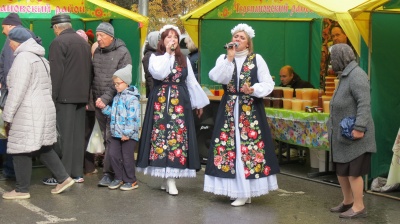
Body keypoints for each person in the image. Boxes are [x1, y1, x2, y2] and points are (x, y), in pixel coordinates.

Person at [204, 23, 280, 206]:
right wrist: (229, 59)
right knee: (229, 148)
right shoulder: (224, 58)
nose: (237, 39)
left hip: (250, 109)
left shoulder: (257, 59)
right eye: (235, 36)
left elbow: (268, 84)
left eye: (242, 37)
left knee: (248, 148)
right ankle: (235, 189)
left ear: (248, 43)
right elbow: (217, 77)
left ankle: (245, 191)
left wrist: (252, 88)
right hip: (229, 107)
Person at [2, 27, 75, 199]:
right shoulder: (40, 58)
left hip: (27, 110)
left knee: (21, 148)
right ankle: (63, 178)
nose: (9, 45)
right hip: (43, 107)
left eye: (10, 41)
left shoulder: (22, 59)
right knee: (43, 146)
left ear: (16, 42)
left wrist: (7, 116)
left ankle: (21, 189)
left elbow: (17, 90)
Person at [136, 24, 209, 195]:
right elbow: (159, 74)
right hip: (161, 101)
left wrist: (198, 103)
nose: (172, 40)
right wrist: (168, 54)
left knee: (176, 138)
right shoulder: (155, 57)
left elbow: (190, 80)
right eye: (168, 37)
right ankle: (167, 178)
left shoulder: (183, 59)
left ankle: (170, 179)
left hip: (179, 102)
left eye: (175, 37)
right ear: (162, 41)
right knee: (162, 138)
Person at [42, 14, 92, 185]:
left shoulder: (58, 43)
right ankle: (77, 173)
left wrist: (52, 97)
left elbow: (55, 73)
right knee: (78, 136)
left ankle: (62, 176)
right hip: (81, 95)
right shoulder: (84, 43)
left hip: (64, 96)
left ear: (56, 28)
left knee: (63, 137)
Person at [327, 43, 376, 219]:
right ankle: (347, 202)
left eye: (333, 58)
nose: (331, 62)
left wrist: (360, 128)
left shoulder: (357, 76)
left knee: (354, 173)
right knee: (342, 171)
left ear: (341, 57)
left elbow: (364, 103)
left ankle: (359, 206)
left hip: (356, 135)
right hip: (344, 136)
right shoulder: (345, 75)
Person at [0, 12, 41, 181]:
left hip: (15, 94)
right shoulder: (32, 42)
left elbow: (11, 70)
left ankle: (12, 170)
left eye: (3, 27)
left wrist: (7, 86)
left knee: (13, 133)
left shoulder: (14, 42)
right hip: (29, 95)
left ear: (10, 26)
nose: (3, 31)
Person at [92, 22, 132, 187]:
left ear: (110, 36)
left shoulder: (123, 52)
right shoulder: (97, 51)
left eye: (101, 35)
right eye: (97, 35)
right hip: (98, 102)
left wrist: (106, 98)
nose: (98, 38)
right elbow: (93, 76)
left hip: (115, 103)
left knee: (111, 138)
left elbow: (121, 80)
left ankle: (111, 173)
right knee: (106, 137)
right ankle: (113, 172)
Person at [101, 64, 140, 191]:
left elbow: (132, 118)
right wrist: (105, 109)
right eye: (115, 84)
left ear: (126, 82)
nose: (116, 86)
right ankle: (118, 177)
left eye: (118, 83)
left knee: (127, 157)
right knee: (113, 155)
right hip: (116, 133)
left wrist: (127, 133)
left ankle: (131, 180)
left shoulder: (132, 99)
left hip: (127, 135)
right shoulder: (117, 97)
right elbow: (114, 112)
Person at [76, 29, 98, 175]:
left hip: (85, 102)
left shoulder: (79, 62)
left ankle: (85, 166)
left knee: (84, 135)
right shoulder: (89, 61)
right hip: (90, 102)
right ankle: (89, 166)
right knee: (88, 135)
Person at [142, 31, 159, 98]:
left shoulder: (158, 53)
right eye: (159, 40)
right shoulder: (149, 55)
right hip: (154, 91)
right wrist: (154, 93)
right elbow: (149, 76)